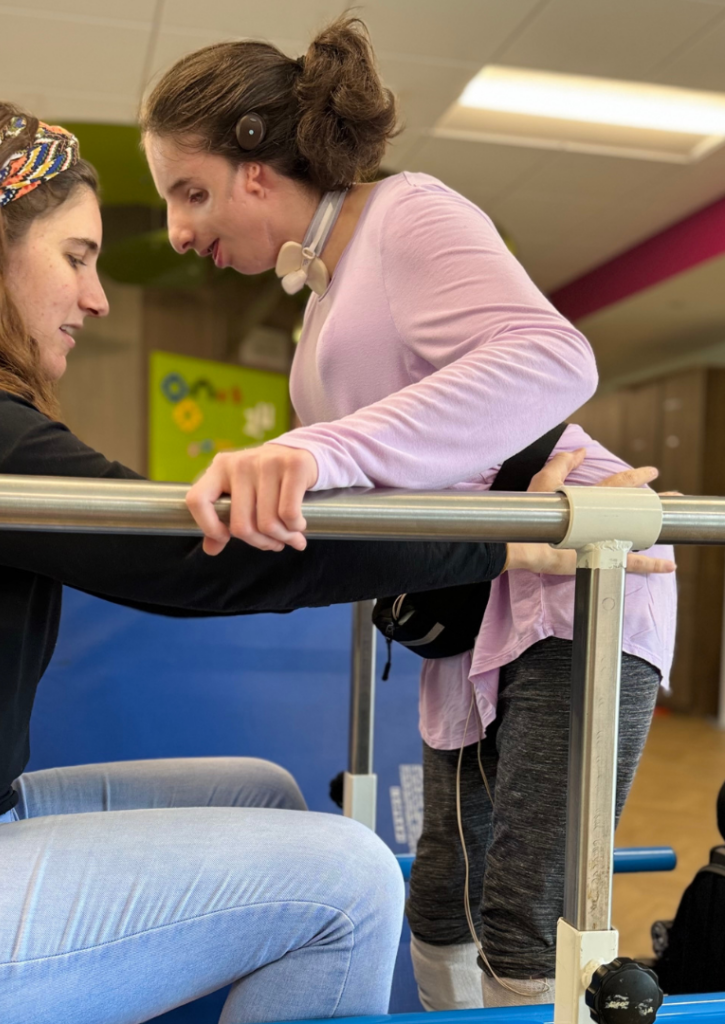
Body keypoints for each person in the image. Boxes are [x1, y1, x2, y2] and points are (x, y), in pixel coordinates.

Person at [0, 101, 657, 1024]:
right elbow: (193, 566)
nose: (96, 295)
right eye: (76, 257)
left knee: (264, 791)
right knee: (353, 879)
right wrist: (501, 533)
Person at [141, 17, 678, 1010]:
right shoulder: (325, 282)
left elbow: (552, 360)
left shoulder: (407, 215)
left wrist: (318, 450)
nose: (178, 229)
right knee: (436, 896)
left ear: (257, 168)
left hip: (572, 589)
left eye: (190, 190)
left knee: (522, 908)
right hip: (473, 592)